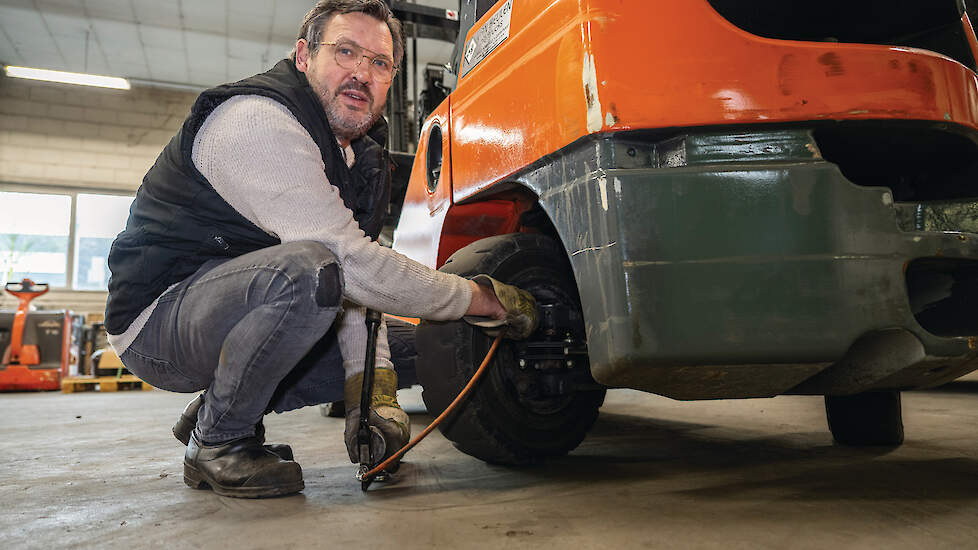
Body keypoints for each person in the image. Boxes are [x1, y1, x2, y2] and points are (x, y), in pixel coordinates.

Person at [104, 0, 537, 499]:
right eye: (345, 52)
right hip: (161, 325)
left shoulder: (361, 158)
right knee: (309, 272)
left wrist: (371, 395)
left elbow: (360, 295)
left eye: (379, 63)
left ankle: (214, 408)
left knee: (429, 344)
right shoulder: (257, 120)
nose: (361, 73)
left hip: (247, 302)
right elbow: (347, 266)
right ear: (304, 56)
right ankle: (219, 442)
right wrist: (480, 298)